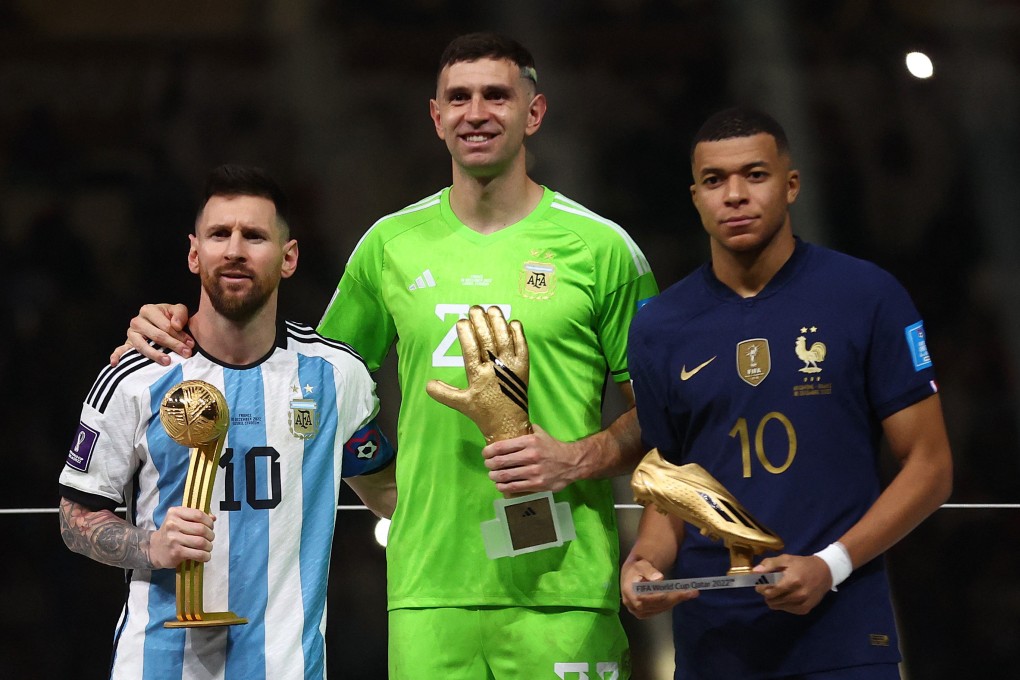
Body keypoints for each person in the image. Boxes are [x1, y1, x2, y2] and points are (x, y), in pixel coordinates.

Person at [111, 33, 657, 679]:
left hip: (564, 588)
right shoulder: (390, 246)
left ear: (533, 114)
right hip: (427, 592)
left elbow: (662, 413)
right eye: (459, 97)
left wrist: (574, 458)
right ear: (436, 117)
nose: (475, 112)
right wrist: (180, 328)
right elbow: (311, 380)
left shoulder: (602, 250)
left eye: (496, 96)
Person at [621, 106, 953, 679]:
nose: (734, 195)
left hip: (842, 633)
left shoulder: (867, 296)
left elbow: (931, 466)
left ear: (791, 184)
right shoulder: (659, 326)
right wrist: (645, 564)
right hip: (713, 646)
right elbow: (669, 487)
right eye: (714, 180)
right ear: (695, 197)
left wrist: (832, 564)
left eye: (755, 174)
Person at [59, 164, 396, 680]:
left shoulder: (336, 376)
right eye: (220, 234)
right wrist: (150, 547)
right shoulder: (134, 375)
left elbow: (389, 489)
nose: (235, 249)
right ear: (194, 252)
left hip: (286, 667)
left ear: (289, 258)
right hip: (155, 665)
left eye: (254, 236)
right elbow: (75, 517)